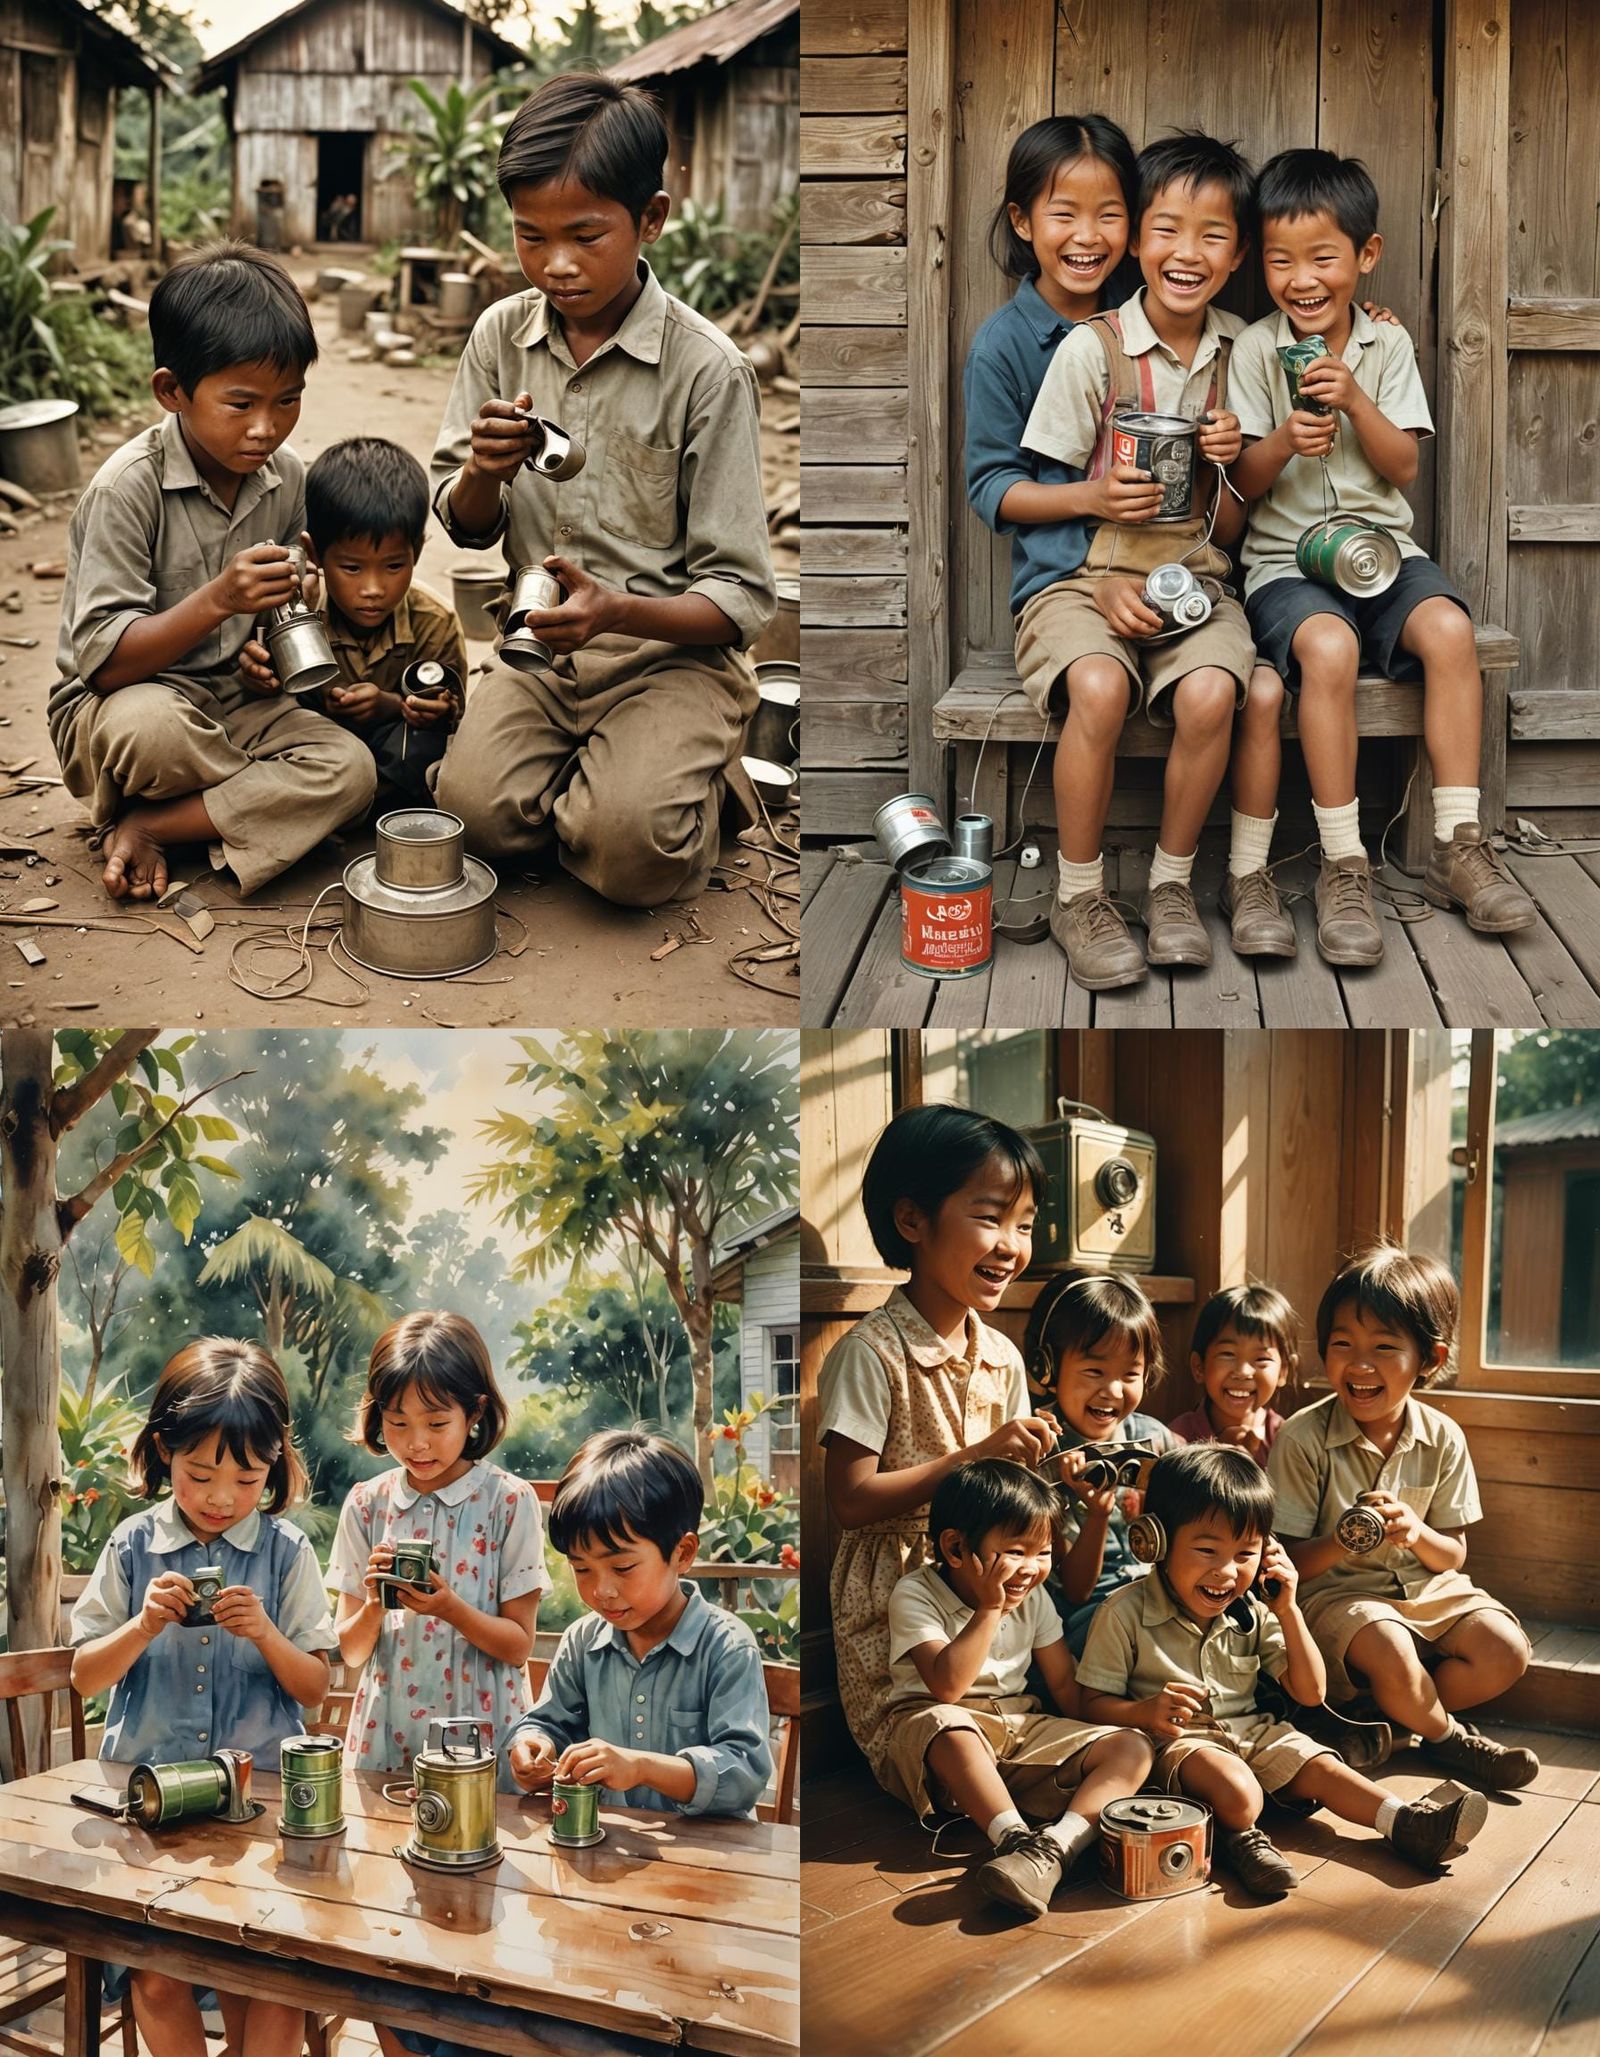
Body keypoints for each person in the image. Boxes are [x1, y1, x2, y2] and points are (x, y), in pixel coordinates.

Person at [431, 72, 775, 906]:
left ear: (650, 219)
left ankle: (694, 784)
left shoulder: (707, 370)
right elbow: (465, 527)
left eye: (586, 236)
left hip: (669, 660)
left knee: (629, 857)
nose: (555, 265)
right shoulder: (498, 337)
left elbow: (740, 597)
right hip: (540, 652)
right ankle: (606, 781)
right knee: (469, 821)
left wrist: (615, 611)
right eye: (529, 237)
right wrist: (483, 470)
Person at [967, 115, 1292, 985]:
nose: (1090, 236)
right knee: (1102, 685)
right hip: (1078, 583)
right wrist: (1095, 543)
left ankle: (1173, 886)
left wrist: (1233, 462)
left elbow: (1228, 528)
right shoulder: (1078, 349)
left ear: (1238, 255)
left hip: (1193, 578)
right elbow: (1005, 487)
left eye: (1212, 236)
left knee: (1225, 687)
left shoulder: (1240, 351)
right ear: (1021, 220)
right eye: (1165, 228)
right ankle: (1079, 896)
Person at [1229, 148, 1536, 965]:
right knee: (1326, 646)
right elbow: (1243, 481)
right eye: (1281, 259)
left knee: (1448, 629)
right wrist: (1286, 441)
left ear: (1366, 256)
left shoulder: (1384, 346)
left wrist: (1356, 396)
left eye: (1323, 258)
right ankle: (1344, 861)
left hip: (1384, 549)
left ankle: (1458, 845)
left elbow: (1403, 466)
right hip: (1286, 564)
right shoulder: (1256, 351)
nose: (1301, 278)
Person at [50, 239, 376, 903]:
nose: (266, 429)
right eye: (240, 403)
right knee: (154, 731)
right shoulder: (128, 489)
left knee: (353, 770)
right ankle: (256, 805)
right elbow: (104, 666)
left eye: (288, 401)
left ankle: (156, 823)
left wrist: (267, 650)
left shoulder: (286, 482)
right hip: (123, 705)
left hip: (230, 702)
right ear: (172, 391)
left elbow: (269, 627)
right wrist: (221, 598)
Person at [69, 1338, 337, 2057]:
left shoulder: (288, 1552)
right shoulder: (132, 1546)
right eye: (200, 1473)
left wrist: (269, 1634)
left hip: (260, 1811)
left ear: (274, 1464)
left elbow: (316, 1683)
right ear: (165, 1450)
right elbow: (84, 1675)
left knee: (269, 1978)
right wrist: (143, 1622)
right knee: (156, 1975)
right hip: (149, 1808)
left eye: (247, 1478)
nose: (222, 1496)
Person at [1078, 1443, 1492, 1896]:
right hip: (1177, 1745)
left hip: (1253, 1733)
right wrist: (1143, 1714)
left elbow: (1311, 1692)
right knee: (1238, 1790)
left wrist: (1289, 1609)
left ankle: (1407, 1823)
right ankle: (1243, 1839)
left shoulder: (1254, 1610)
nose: (1226, 1572)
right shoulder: (1123, 1612)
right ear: (1153, 1540)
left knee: (1321, 1766)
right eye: (1206, 1550)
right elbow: (1089, 1705)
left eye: (1245, 1554)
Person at [817, 1104, 1060, 1790]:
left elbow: (1016, 1497)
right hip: (896, 1588)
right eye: (990, 1217)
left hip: (986, 1583)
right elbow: (849, 1500)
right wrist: (976, 1454)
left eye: (1025, 1225)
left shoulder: (1004, 1357)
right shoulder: (871, 1352)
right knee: (936, 1742)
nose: (1012, 1244)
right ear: (912, 1220)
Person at [1267, 1242, 1538, 1791]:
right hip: (1335, 1598)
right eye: (1343, 1344)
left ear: (1430, 1360)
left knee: (1507, 1651)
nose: (1360, 1365)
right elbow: (1284, 1564)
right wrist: (1345, 1541)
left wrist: (1416, 1533)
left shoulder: (1443, 1437)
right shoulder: (1302, 1437)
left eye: (1384, 1347)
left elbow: (1454, 1554)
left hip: (1427, 1591)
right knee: (1388, 1643)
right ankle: (1450, 1741)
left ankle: (1384, 1720)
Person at [881, 1458, 1153, 1916]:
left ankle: (1053, 1850)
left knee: (1134, 1749)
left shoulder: (1035, 1598)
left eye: (1043, 1553)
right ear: (954, 1547)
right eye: (1016, 1551)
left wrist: (1126, 1727)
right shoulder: (915, 1593)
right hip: (941, 1739)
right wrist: (990, 1608)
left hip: (1020, 1729)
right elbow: (946, 1686)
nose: (1031, 1569)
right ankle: (1013, 1837)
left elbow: (1066, 1687)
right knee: (950, 1727)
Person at [327, 1312, 547, 1779]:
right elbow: (349, 1651)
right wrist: (373, 1605)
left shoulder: (508, 1501)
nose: (417, 1443)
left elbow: (518, 1646)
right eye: (398, 1423)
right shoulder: (367, 1504)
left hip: (484, 1741)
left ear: (476, 1413)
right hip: (385, 1735)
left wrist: (450, 1608)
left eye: (436, 1423)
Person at [506, 1428, 771, 1814]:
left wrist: (641, 1767)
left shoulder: (726, 1646)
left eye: (623, 1567)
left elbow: (744, 1774)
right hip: (608, 1849)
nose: (602, 1590)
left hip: (711, 1859)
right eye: (582, 1569)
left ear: (682, 1553)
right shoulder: (583, 1641)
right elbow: (550, 1723)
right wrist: (533, 1743)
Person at [241, 438, 466, 809]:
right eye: (352, 568)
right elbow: (264, 699)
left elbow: (450, 716)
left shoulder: (435, 623)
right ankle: (344, 807)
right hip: (317, 746)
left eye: (394, 566)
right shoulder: (295, 611)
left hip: (391, 758)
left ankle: (342, 811)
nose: (373, 589)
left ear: (418, 552)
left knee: (428, 750)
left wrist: (394, 705)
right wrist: (262, 677)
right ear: (315, 554)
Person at [1028, 1270, 1179, 1652]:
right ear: (1046, 1368)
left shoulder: (1158, 1439)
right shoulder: (1041, 1457)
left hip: (1162, 1602)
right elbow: (1077, 1592)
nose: (1112, 1390)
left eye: (1130, 1374)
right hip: (1085, 1619)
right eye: (1094, 1371)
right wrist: (1096, 1516)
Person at [1168, 1282, 1296, 1464]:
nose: (1243, 1372)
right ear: (1199, 1366)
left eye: (1261, 1359)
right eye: (1227, 1354)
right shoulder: (1176, 1441)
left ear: (1284, 1370)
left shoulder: (1288, 1441)